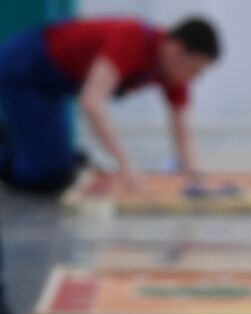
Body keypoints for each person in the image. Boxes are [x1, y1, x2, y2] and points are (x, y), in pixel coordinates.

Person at [0, 15, 219, 193]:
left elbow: (181, 124)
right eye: (194, 70)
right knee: (41, 174)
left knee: (58, 169)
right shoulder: (134, 39)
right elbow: (92, 101)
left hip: (53, 84)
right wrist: (125, 164)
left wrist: (193, 170)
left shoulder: (172, 70)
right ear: (176, 49)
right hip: (26, 66)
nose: (193, 78)